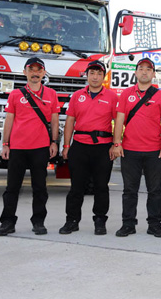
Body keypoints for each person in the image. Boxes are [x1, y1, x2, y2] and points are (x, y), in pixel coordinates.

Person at [0, 57, 60, 236]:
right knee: (12, 188)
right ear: (25, 72)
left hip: (40, 148)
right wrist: (5, 144)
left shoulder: (51, 94)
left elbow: (54, 120)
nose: (35, 73)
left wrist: (54, 141)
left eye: (39, 70)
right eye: (31, 70)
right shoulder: (16, 94)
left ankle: (38, 221)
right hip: (18, 148)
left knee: (40, 188)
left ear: (44, 73)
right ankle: (7, 222)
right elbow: (9, 120)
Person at [111, 57, 161, 238]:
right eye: (141, 69)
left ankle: (155, 225)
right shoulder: (126, 94)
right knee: (129, 190)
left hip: (154, 151)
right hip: (130, 149)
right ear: (136, 73)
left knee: (155, 191)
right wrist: (117, 143)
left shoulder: (160, 96)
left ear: (153, 74)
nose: (144, 72)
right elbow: (119, 120)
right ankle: (128, 224)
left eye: (148, 69)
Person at [59, 60, 117, 235]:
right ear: (87, 75)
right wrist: (66, 145)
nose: (95, 77)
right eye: (92, 73)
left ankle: (100, 221)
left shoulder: (112, 97)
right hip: (80, 146)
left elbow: (118, 122)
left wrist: (116, 144)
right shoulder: (77, 96)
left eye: (99, 74)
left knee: (101, 186)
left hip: (103, 147)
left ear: (104, 77)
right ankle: (72, 221)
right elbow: (70, 121)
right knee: (76, 186)